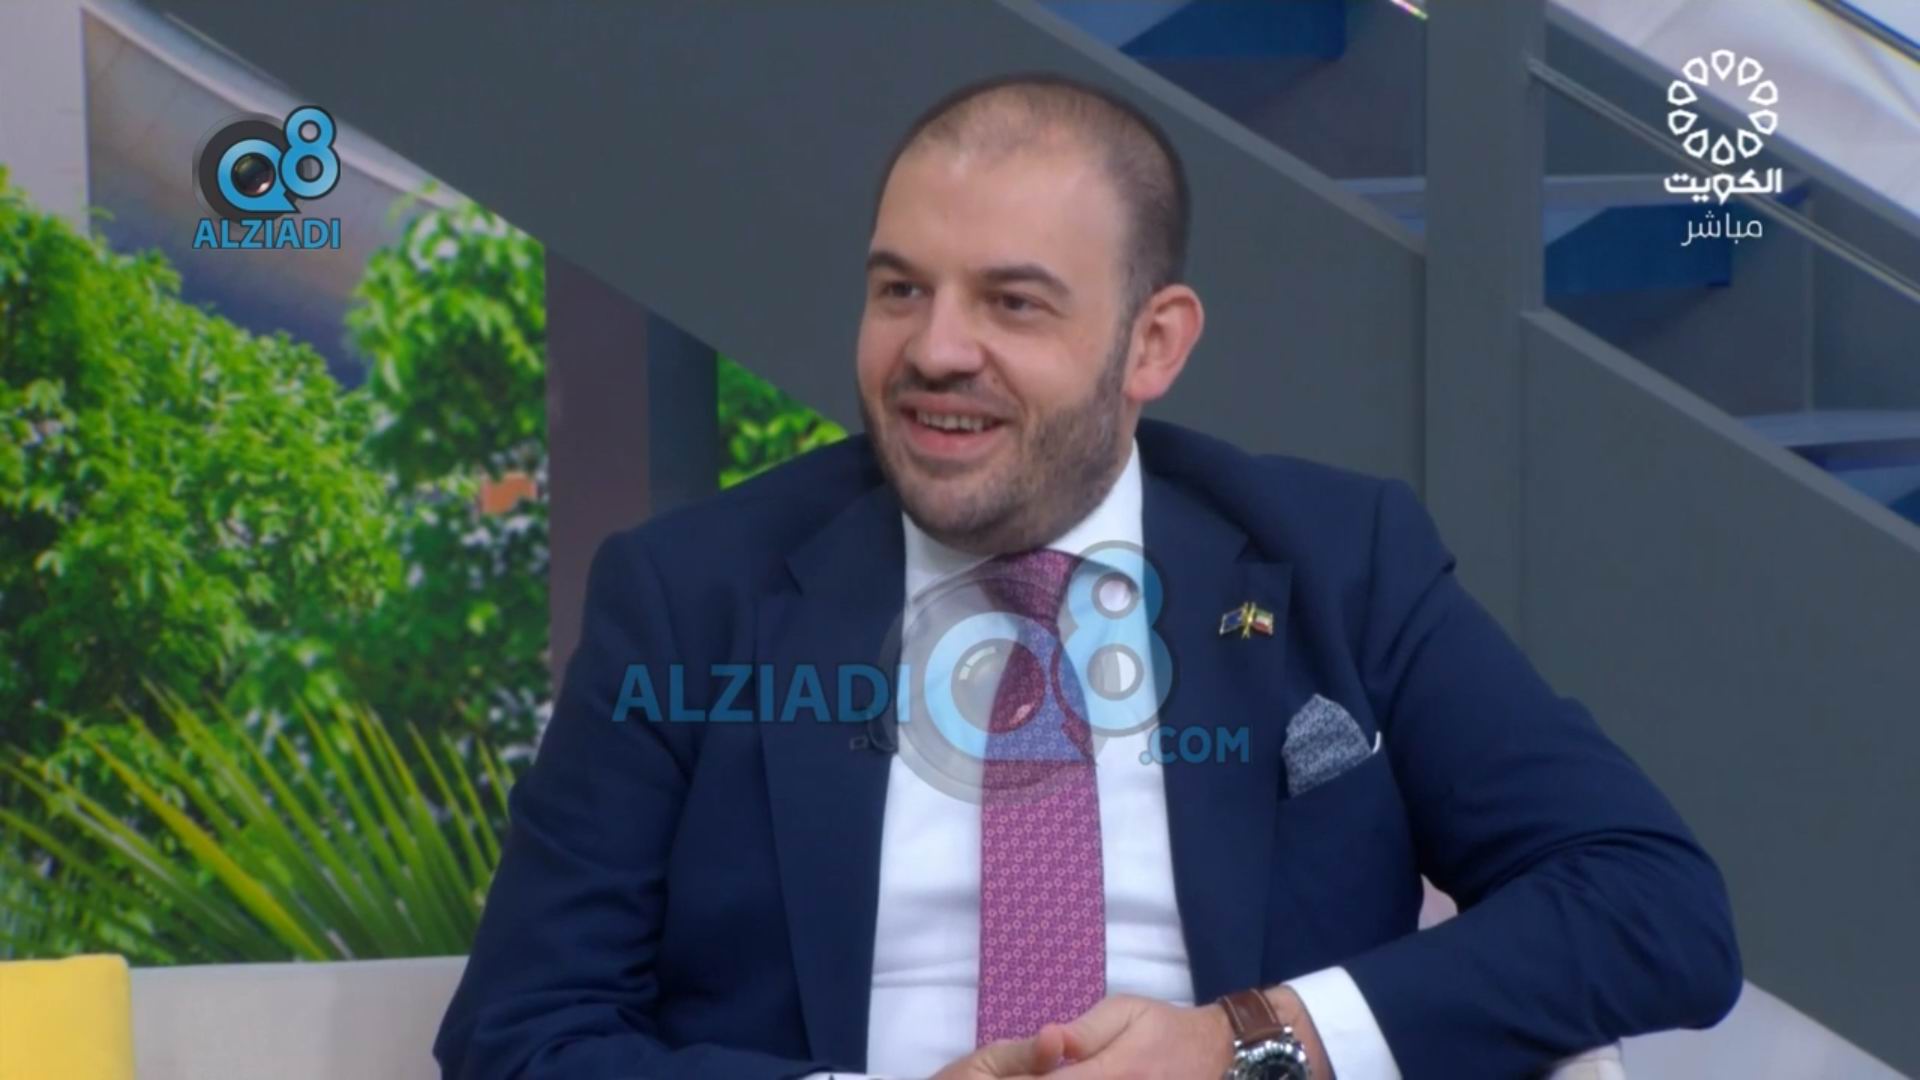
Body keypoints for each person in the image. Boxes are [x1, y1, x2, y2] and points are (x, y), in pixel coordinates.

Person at [434, 72, 1741, 1080]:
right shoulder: (691, 596)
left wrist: (1250, 1042)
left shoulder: (1338, 562)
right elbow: (519, 1033)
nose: (935, 350)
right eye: (900, 291)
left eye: (1013, 302)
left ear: (1152, 344)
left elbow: (1654, 906)